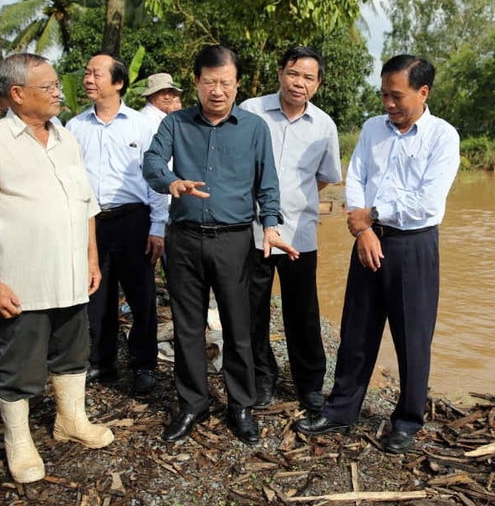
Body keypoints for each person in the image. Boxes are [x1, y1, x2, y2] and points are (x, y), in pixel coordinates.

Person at [295, 55, 460, 454]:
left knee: (413, 337)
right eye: (384, 94)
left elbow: (427, 202)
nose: (388, 103)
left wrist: (373, 215)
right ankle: (341, 410)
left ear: (423, 93)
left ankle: (407, 419)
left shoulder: (442, 136)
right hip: (369, 239)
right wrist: (365, 227)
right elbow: (358, 179)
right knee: (357, 330)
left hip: (413, 245)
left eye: (397, 96)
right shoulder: (372, 129)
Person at [0, 53, 113, 484]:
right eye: (46, 87)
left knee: (73, 351)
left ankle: (71, 420)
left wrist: (91, 257)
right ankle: (19, 440)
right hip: (22, 280)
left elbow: (86, 204)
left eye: (55, 84)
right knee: (20, 364)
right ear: (16, 94)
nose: (57, 91)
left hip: (70, 273)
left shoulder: (66, 139)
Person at [143, 45, 298, 445]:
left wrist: (269, 225)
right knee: (188, 327)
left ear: (237, 84)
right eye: (209, 82)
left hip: (233, 242)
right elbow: (152, 163)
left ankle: (240, 404)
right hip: (184, 240)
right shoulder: (175, 124)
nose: (217, 91)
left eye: (225, 83)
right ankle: (192, 403)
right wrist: (171, 183)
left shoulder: (253, 128)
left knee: (238, 327)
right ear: (195, 82)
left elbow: (268, 184)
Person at [239, 47, 341, 412]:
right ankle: (261, 378)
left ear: (317, 84)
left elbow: (325, 179)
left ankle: (309, 383)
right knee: (253, 309)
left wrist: (295, 202)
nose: (300, 83)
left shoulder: (324, 126)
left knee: (303, 312)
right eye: (294, 73)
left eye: (309, 78)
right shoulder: (250, 111)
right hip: (250, 232)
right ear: (280, 72)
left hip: (299, 234)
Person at [66, 54, 168, 395]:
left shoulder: (141, 125)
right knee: (98, 294)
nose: (88, 79)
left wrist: (158, 227)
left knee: (141, 296)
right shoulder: (74, 127)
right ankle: (102, 361)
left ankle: (144, 364)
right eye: (87, 73)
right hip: (93, 222)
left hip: (133, 219)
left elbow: (156, 179)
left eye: (96, 74)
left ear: (118, 82)